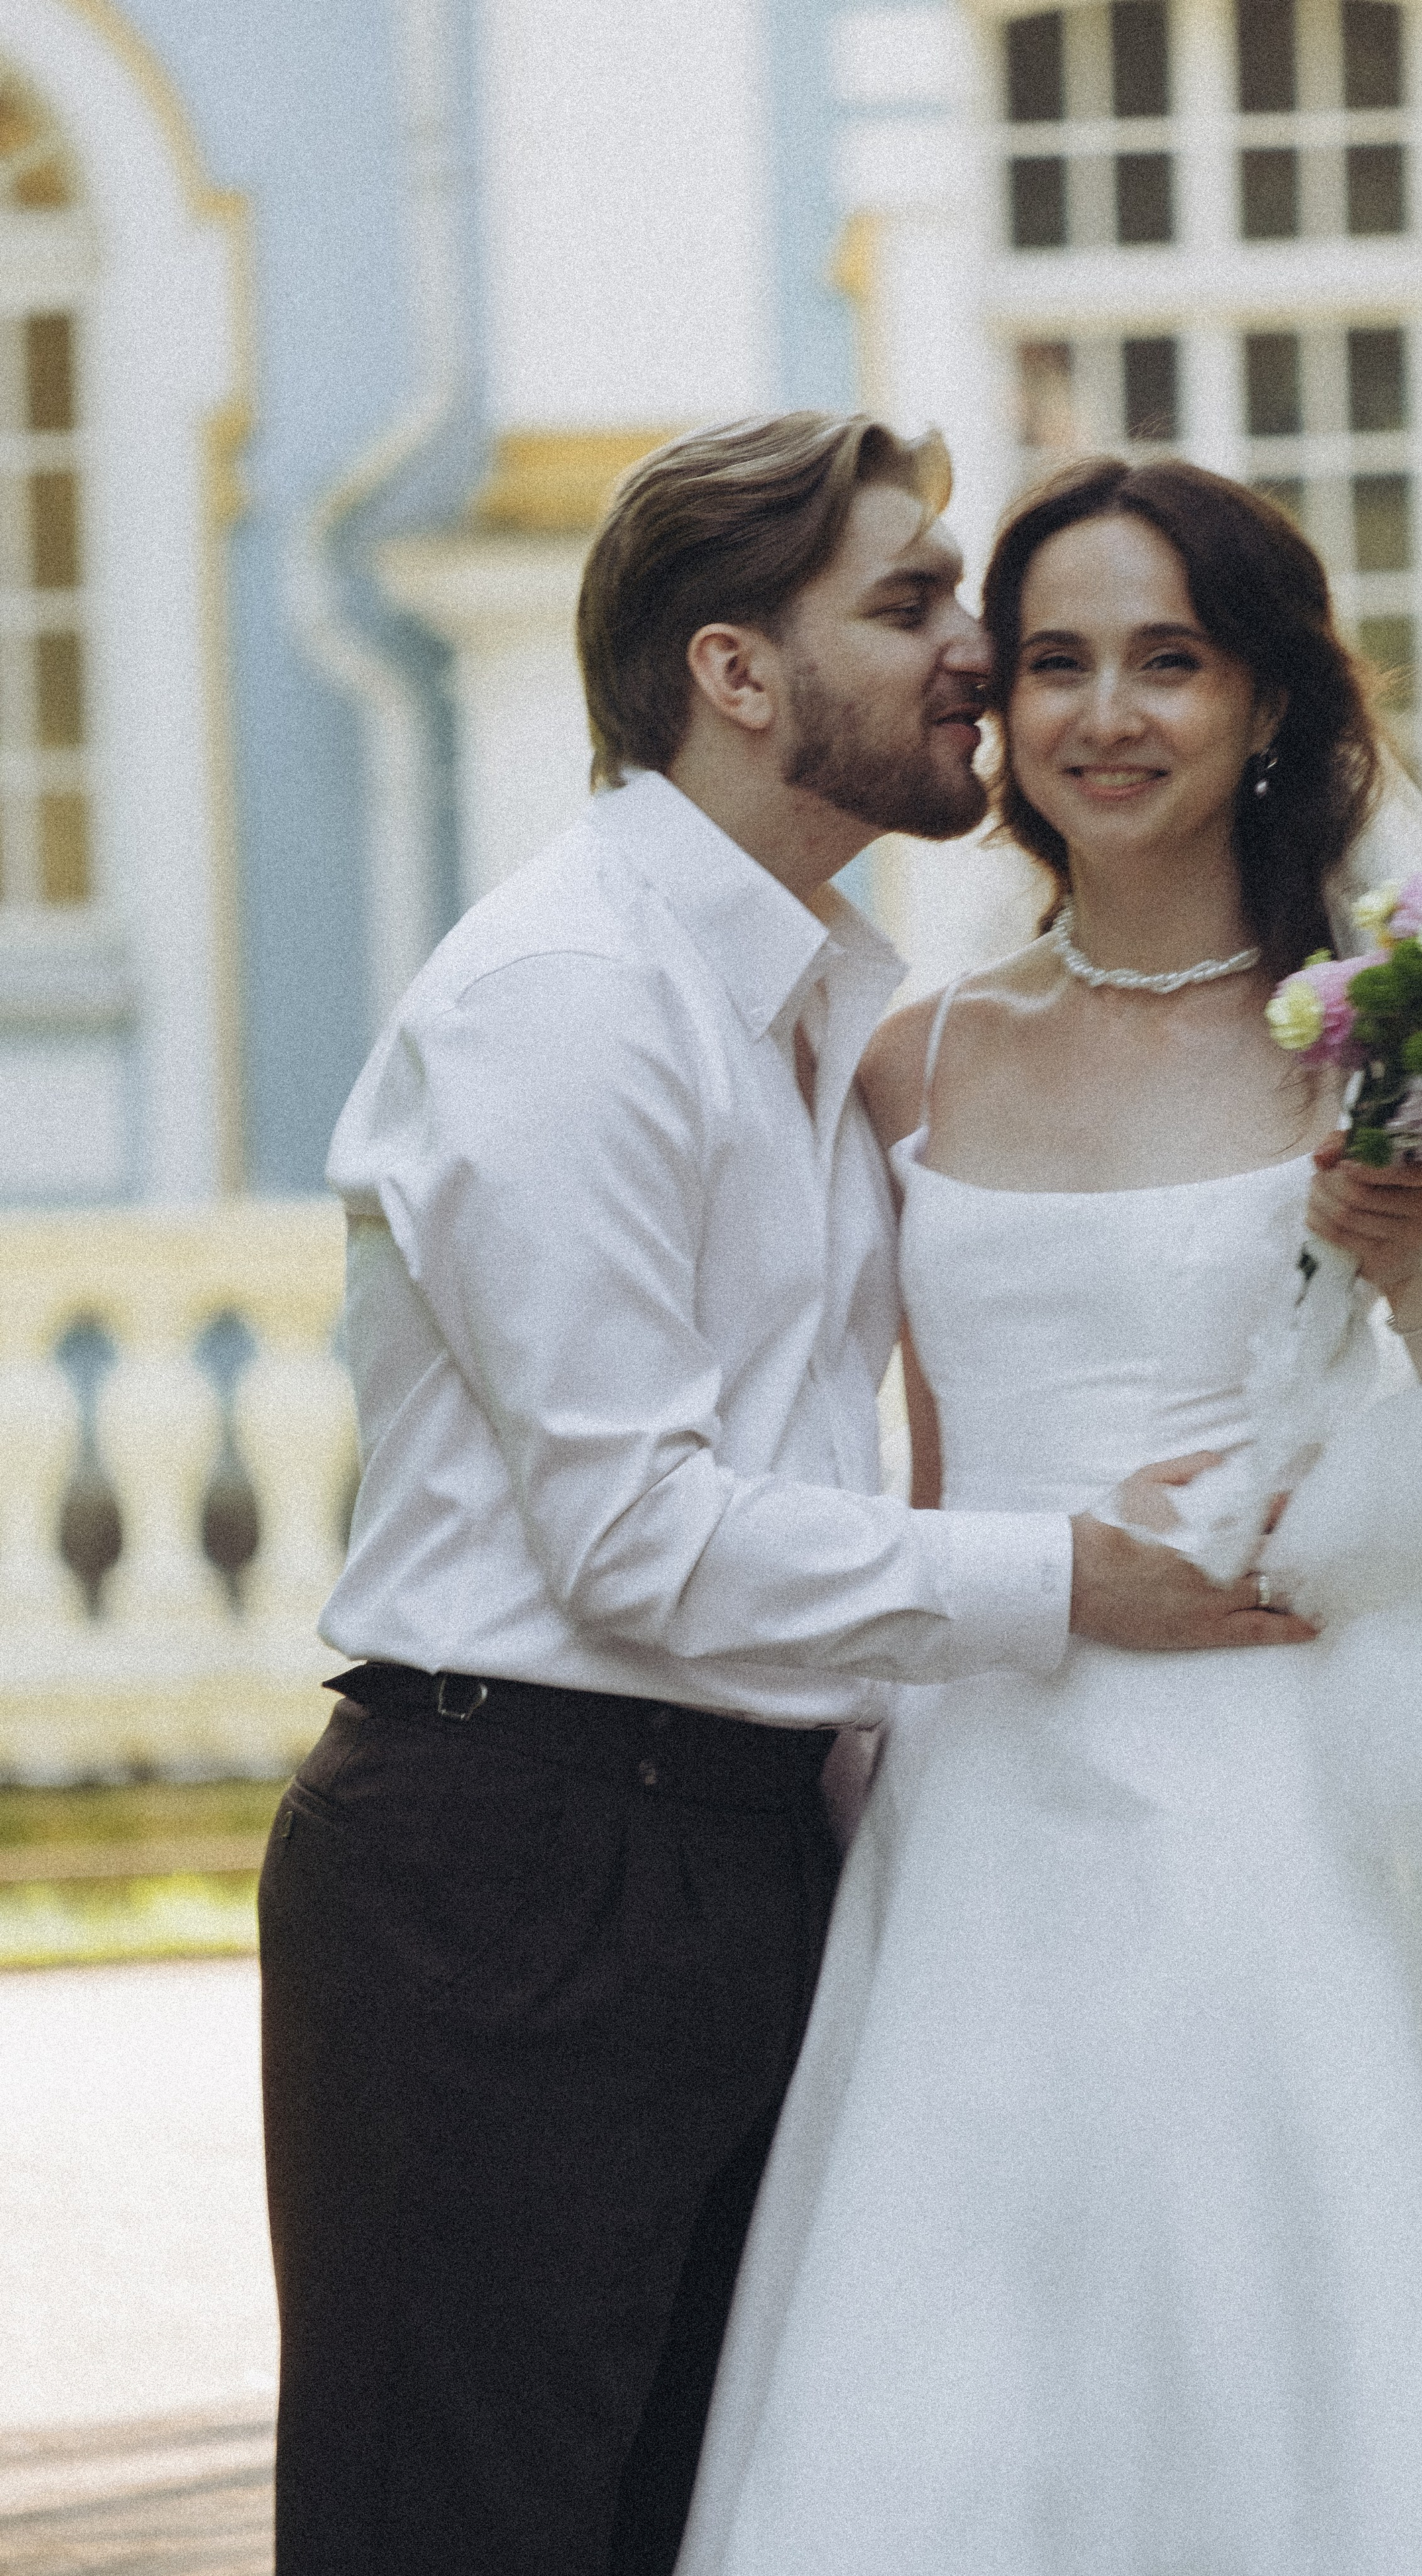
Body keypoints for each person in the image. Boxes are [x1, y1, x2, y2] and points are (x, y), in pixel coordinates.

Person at [257, 416, 1320, 2576]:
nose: (975, 657)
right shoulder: (578, 1002)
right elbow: (636, 1541)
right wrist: (1072, 1582)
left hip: (743, 1854)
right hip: (516, 1873)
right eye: (915, 604)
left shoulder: (811, 1009)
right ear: (741, 676)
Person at [672, 457, 1422, 2575]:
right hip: (986, 1820)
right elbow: (928, 1473)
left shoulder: (1391, 1059)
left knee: (1292, 2363)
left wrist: (1408, 1253)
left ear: (1266, 701)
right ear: (1000, 709)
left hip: (1287, 1818)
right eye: (1054, 663)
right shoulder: (910, 1058)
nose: (1106, 716)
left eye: (1172, 659)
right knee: (955, 2389)